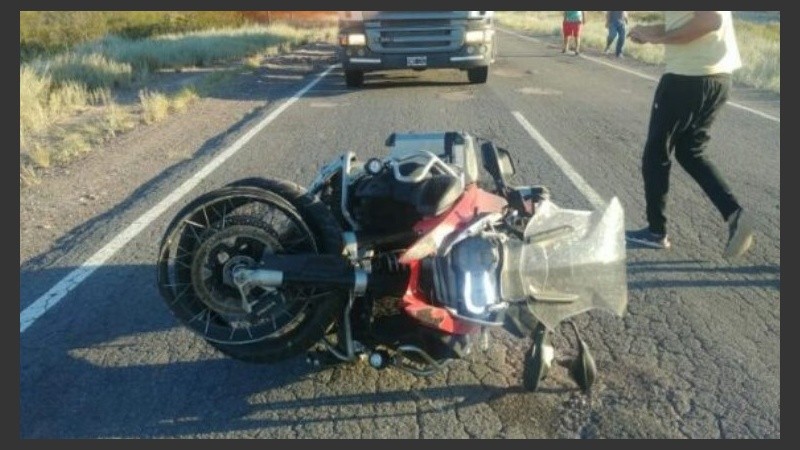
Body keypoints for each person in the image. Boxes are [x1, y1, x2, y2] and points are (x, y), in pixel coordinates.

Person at [625, 11, 755, 258]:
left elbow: (709, 20)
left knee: (655, 154)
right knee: (689, 152)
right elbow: (684, 21)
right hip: (718, 77)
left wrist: (657, 39)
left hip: (688, 77)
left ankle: (655, 232)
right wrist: (648, 30)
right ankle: (735, 214)